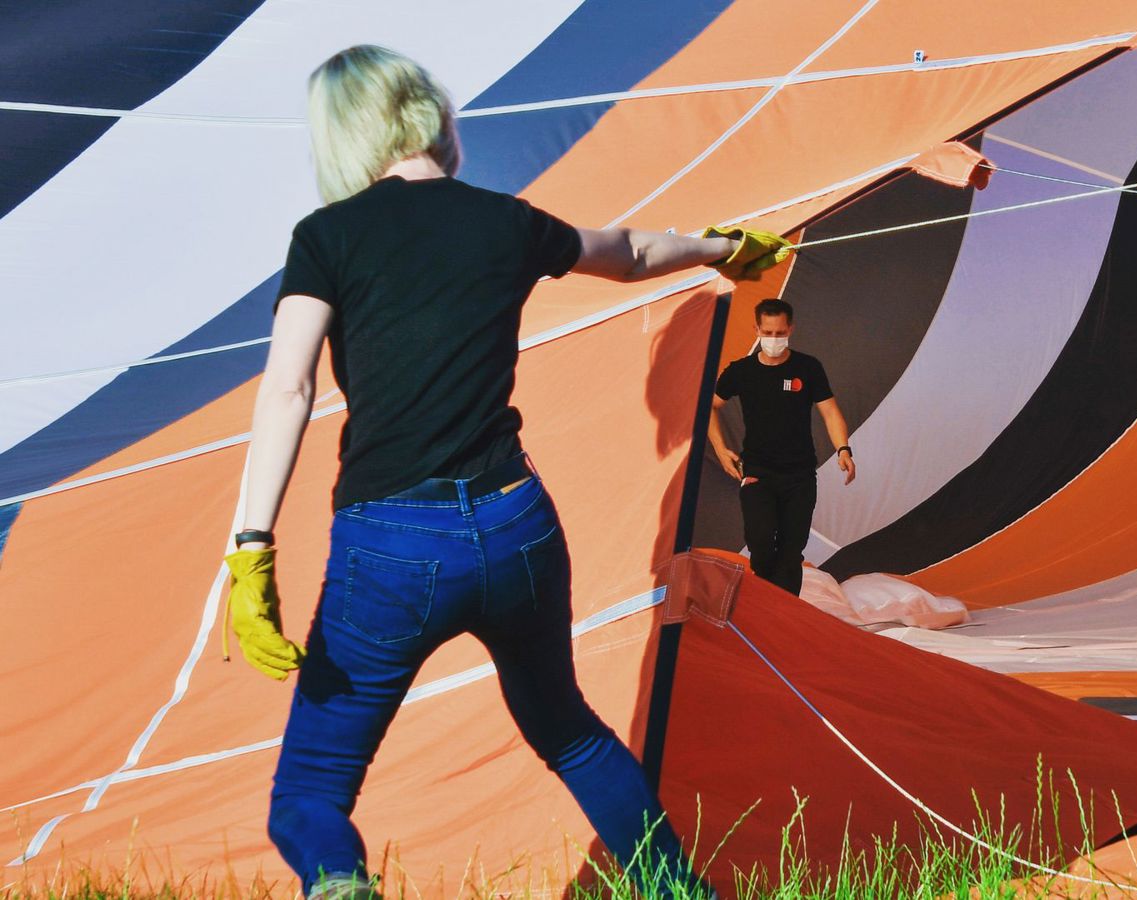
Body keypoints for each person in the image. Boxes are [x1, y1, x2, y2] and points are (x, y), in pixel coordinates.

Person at [220, 45, 787, 899]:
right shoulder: (503, 219)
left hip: (393, 546)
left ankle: (341, 886)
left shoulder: (327, 237)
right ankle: (677, 892)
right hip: (516, 523)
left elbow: (289, 385)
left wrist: (252, 546)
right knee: (570, 733)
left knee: (309, 795)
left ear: (342, 141)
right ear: (431, 117)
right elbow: (629, 252)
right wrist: (721, 248)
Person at [706, 298, 855, 595]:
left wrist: (843, 449)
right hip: (758, 472)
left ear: (790, 329)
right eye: (768, 333)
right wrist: (721, 450)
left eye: (779, 333)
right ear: (757, 329)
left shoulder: (808, 368)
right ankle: (768, 607)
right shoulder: (741, 371)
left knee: (790, 552)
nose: (773, 340)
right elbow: (708, 407)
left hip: (799, 476)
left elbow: (830, 411)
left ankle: (783, 619)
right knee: (760, 542)